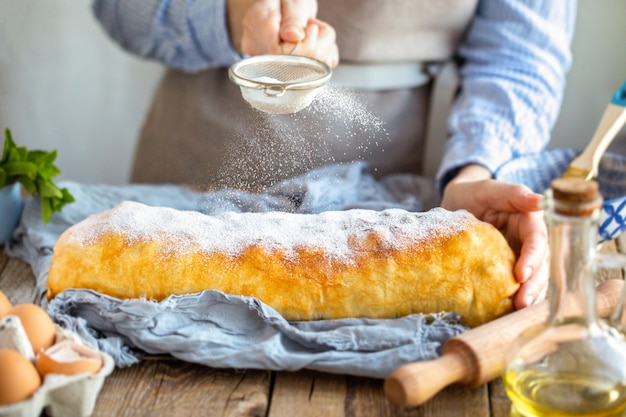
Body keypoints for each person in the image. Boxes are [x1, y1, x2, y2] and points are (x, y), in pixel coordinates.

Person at [91, 0, 577, 311]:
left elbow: (520, 57)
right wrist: (231, 15)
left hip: (402, 187)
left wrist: (476, 172)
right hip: (197, 161)